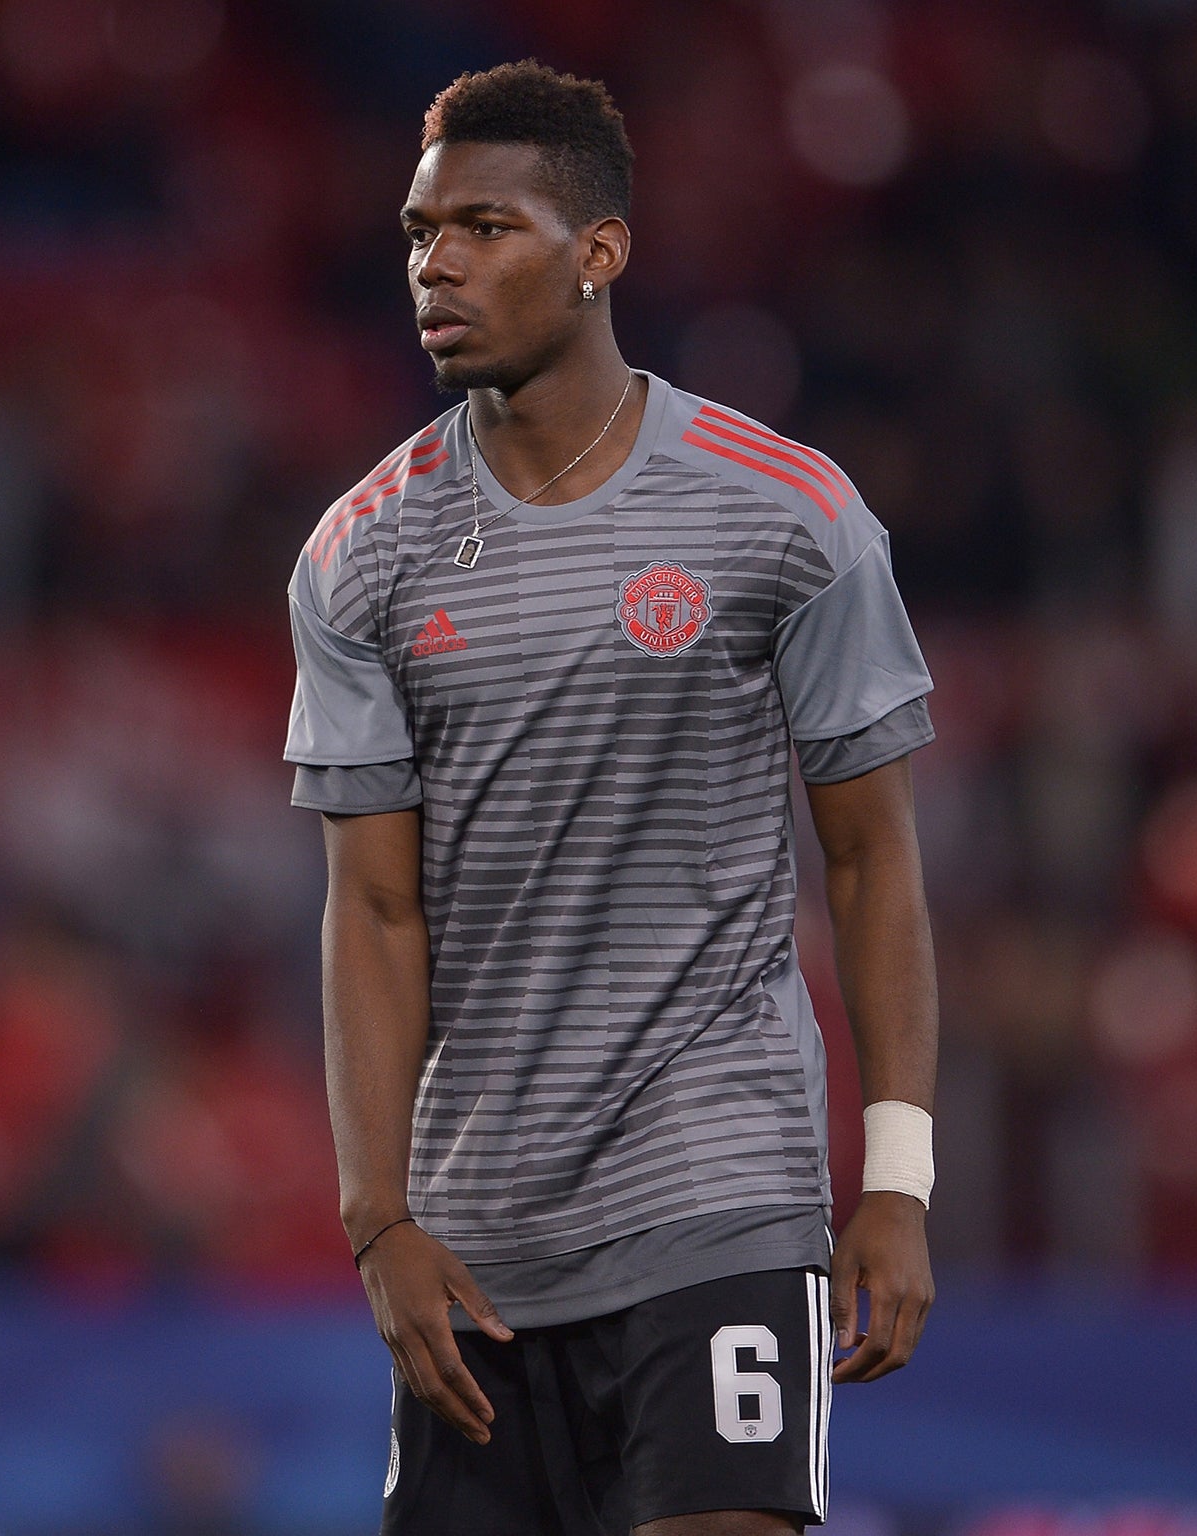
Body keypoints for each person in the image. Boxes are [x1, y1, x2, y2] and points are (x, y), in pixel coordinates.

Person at [283, 61, 940, 1536]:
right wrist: (375, 1218)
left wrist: (895, 1178)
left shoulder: (787, 511)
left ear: (600, 253)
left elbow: (872, 861)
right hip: (478, 1245)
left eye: (484, 226)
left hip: (719, 1189)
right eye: (415, 230)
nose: (435, 263)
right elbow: (376, 910)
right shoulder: (360, 555)